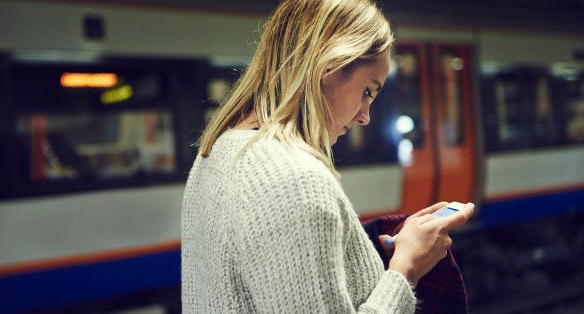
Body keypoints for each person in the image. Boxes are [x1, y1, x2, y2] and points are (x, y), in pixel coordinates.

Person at [181, 0, 474, 312]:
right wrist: (405, 271)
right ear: (329, 67)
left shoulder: (216, 151)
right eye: (367, 91)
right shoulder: (298, 179)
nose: (366, 117)